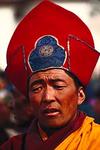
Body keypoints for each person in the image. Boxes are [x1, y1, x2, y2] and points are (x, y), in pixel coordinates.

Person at [0, 0, 100, 149]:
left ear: (80, 95)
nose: (47, 97)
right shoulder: (13, 147)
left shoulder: (95, 141)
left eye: (58, 86)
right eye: (37, 88)